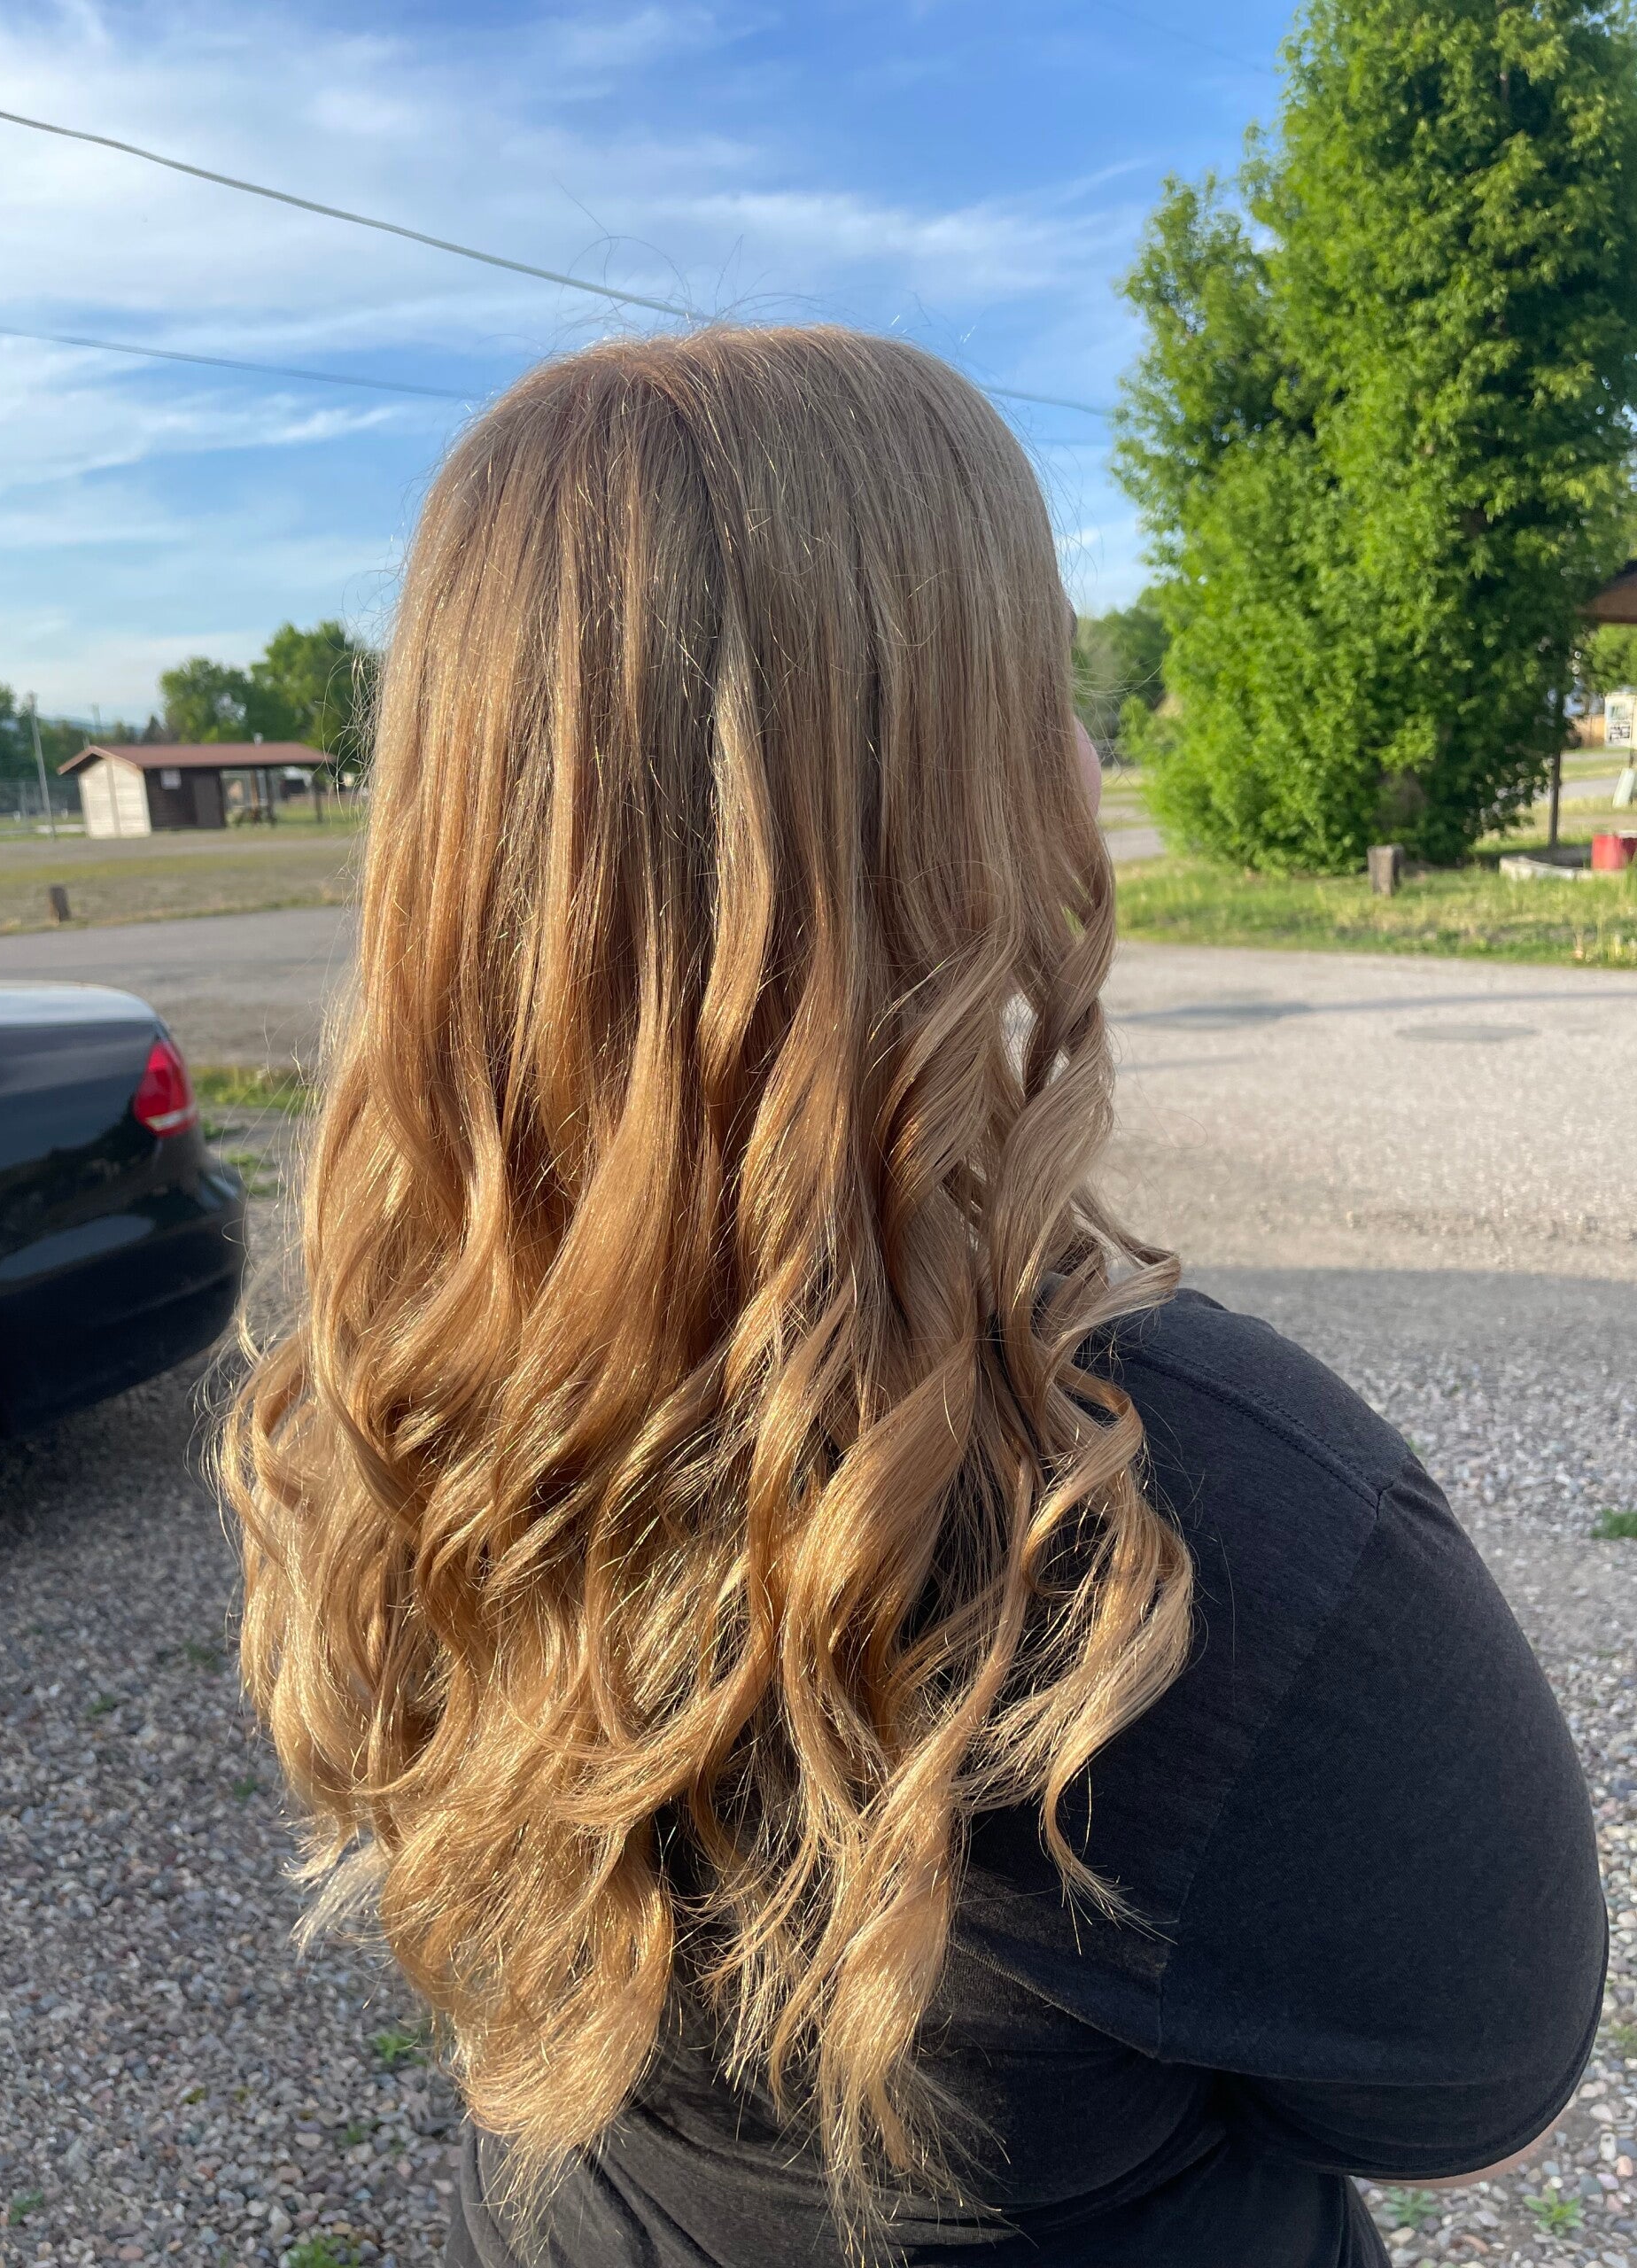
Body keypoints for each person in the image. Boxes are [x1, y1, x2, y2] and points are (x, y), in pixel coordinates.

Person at [221, 326, 1606, 2268]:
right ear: (955, 795)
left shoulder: (394, 1407)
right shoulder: (1195, 1526)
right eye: (1049, 695)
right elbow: (1470, 2084)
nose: (1085, 758)